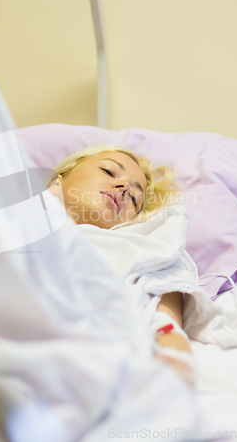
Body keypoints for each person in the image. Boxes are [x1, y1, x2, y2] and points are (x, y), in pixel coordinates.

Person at [47, 144, 195, 386]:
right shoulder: (12, 210)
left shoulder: (137, 248)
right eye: (108, 171)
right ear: (57, 181)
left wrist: (174, 358)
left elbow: (166, 325)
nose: (124, 187)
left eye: (135, 199)